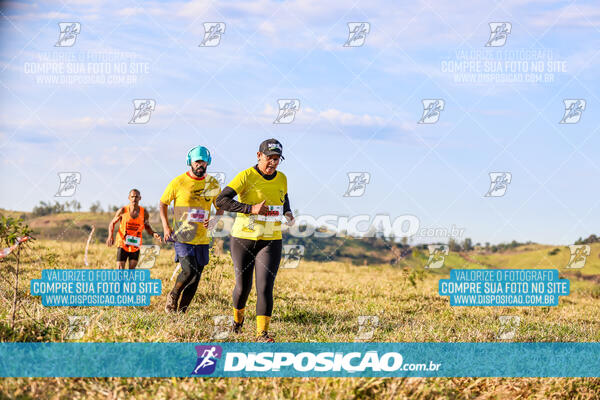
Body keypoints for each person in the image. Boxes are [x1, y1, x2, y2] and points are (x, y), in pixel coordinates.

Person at [215, 138, 295, 342]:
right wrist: (250, 209)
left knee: (265, 286)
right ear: (259, 156)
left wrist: (287, 212)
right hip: (243, 239)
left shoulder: (282, 178)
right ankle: (237, 322)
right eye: (270, 158)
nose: (273, 163)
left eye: (277, 159)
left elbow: (283, 196)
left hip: (271, 239)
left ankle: (262, 334)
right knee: (243, 287)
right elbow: (221, 200)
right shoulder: (246, 176)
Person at [160, 145, 224, 313]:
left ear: (208, 162)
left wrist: (214, 220)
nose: (200, 165)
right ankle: (173, 295)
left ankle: (181, 312)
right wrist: (166, 227)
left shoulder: (212, 183)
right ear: (190, 162)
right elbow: (163, 203)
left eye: (203, 162)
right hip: (183, 235)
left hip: (202, 238)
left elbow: (220, 206)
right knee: (189, 271)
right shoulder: (179, 181)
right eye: (197, 162)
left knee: (196, 278)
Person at [106, 189, 162, 269]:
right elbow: (112, 223)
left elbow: (147, 226)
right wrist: (110, 236)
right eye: (132, 197)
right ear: (129, 198)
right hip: (123, 243)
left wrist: (153, 233)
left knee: (131, 271)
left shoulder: (144, 212)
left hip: (135, 244)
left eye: (136, 197)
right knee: (120, 271)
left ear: (140, 198)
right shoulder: (123, 210)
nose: (134, 199)